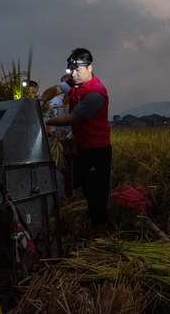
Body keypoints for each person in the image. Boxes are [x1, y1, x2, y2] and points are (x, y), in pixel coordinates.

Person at [39, 48, 111, 236]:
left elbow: (71, 119)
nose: (74, 74)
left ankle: (101, 237)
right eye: (72, 70)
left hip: (97, 150)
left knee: (97, 194)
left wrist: (43, 121)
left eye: (78, 70)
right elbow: (56, 88)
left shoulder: (95, 93)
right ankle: (95, 227)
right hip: (83, 147)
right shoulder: (74, 84)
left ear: (89, 67)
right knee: (87, 190)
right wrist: (42, 100)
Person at [48, 74, 78, 197]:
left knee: (79, 165)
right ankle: (67, 193)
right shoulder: (56, 100)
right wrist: (55, 132)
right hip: (60, 139)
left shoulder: (78, 99)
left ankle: (79, 191)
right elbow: (52, 115)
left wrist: (68, 137)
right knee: (64, 167)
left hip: (74, 137)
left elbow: (77, 122)